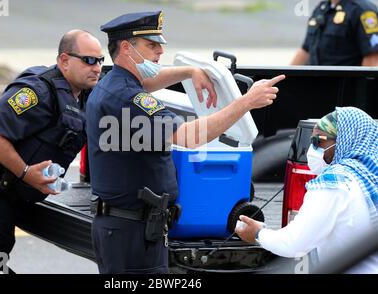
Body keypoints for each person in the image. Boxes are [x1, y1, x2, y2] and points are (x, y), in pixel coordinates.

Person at [86, 11, 286, 274]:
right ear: (126, 48)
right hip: (131, 233)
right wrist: (246, 102)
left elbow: (148, 81)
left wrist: (190, 72)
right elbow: (189, 137)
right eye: (151, 45)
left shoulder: (115, 84)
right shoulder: (128, 98)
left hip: (126, 227)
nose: (160, 50)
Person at [0, 30, 103, 274]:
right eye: (89, 60)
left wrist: (183, 72)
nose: (97, 68)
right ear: (64, 60)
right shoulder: (37, 92)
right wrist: (26, 172)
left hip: (6, 196)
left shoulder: (82, 92)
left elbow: (128, 82)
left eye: (100, 61)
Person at [236, 107, 378, 272]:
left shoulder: (333, 185)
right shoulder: (368, 180)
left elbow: (294, 243)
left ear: (345, 139)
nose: (311, 150)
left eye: (318, 141)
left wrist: (258, 233)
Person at [291, 0, 378, 66]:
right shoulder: (322, 8)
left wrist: (363, 88)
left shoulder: (363, 10)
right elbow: (305, 50)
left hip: (345, 87)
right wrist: (285, 79)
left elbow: (373, 57)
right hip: (315, 85)